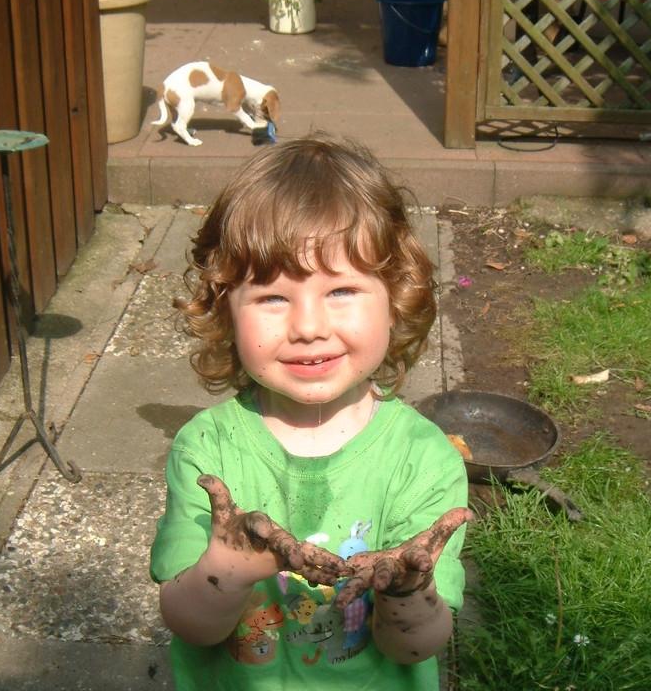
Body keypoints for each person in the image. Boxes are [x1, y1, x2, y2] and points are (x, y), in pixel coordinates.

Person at [150, 136, 472, 690]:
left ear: (396, 300)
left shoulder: (423, 461)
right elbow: (190, 626)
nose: (307, 326)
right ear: (225, 311)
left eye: (342, 290)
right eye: (273, 298)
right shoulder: (208, 451)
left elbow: (415, 646)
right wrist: (229, 567)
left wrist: (404, 591)